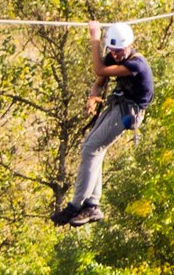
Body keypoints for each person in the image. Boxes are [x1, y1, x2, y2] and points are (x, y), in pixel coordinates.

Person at [53, 21, 156, 225]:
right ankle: (92, 205)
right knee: (90, 147)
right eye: (113, 51)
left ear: (129, 45)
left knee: (92, 148)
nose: (116, 55)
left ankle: (76, 205)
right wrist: (93, 95)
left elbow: (99, 69)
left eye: (120, 51)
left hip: (131, 113)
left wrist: (95, 38)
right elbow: (100, 79)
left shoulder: (136, 65)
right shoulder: (114, 56)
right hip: (119, 105)